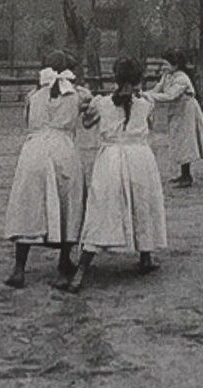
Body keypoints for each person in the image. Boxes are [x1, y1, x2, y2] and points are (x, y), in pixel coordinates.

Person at [56, 57, 167, 294]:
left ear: (115, 78)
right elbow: (148, 122)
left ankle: (81, 271)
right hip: (140, 158)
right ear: (139, 79)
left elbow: (86, 123)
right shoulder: (147, 103)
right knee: (142, 204)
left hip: (111, 160)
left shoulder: (102, 103)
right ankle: (146, 256)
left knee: (102, 209)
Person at [4, 51, 92, 289]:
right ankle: (64, 262)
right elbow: (89, 117)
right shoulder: (78, 95)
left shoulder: (33, 96)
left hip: (33, 151)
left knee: (29, 203)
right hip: (63, 149)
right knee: (68, 202)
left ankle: (19, 269)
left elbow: (28, 122)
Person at [146, 50, 203, 188]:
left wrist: (148, 97)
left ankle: (187, 176)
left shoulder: (182, 78)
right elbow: (157, 90)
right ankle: (183, 173)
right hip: (176, 111)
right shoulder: (167, 76)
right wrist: (143, 94)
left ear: (176, 65)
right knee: (178, 141)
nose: (164, 67)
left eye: (166, 64)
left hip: (187, 111)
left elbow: (170, 96)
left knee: (185, 142)